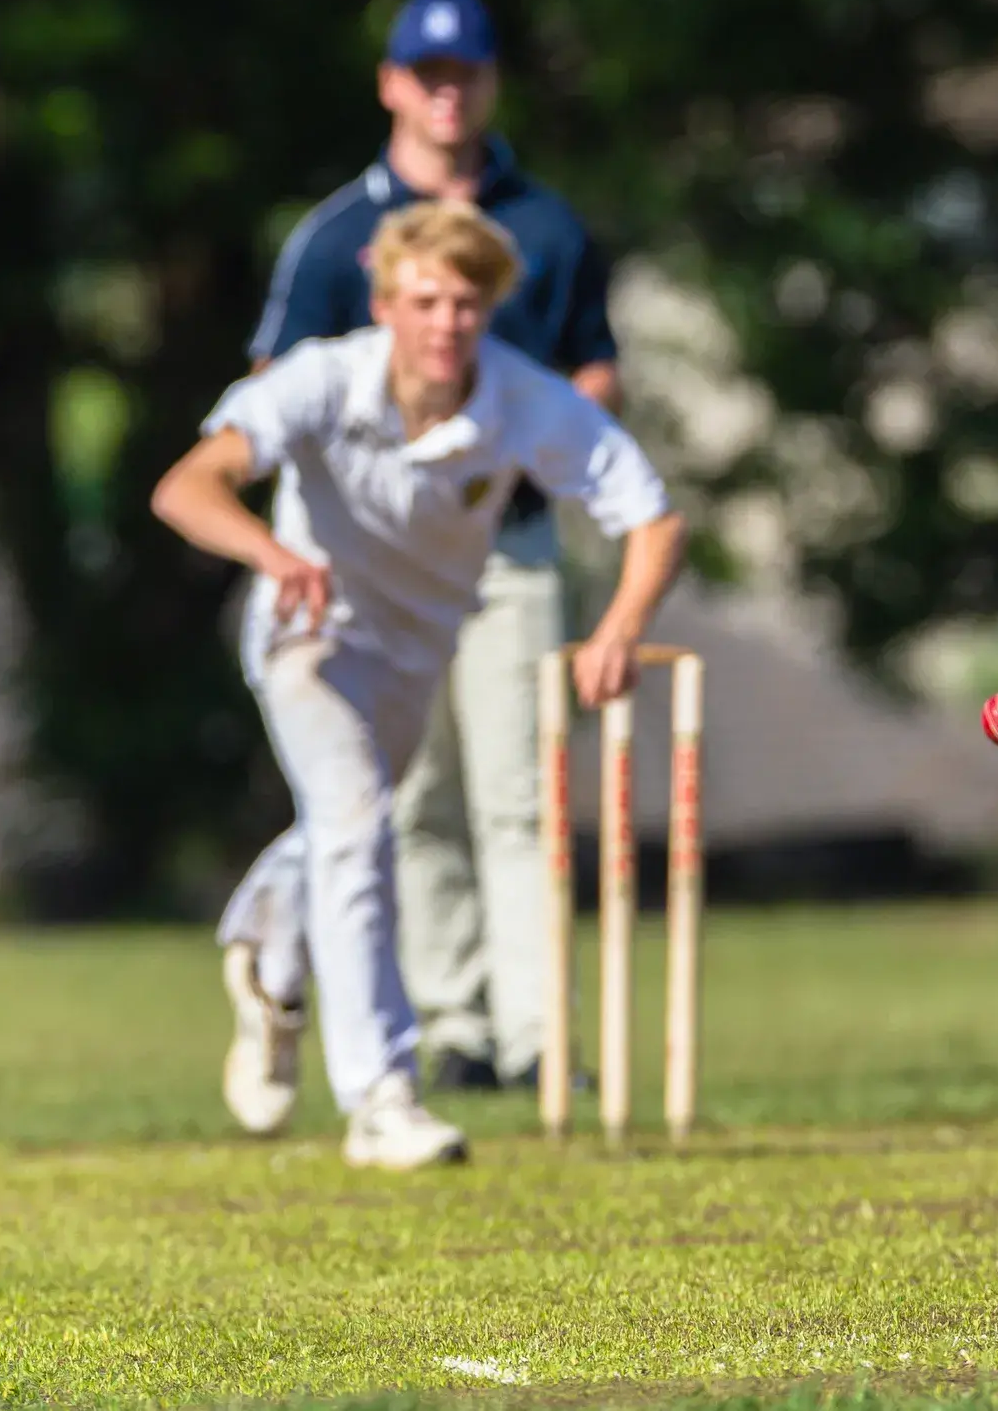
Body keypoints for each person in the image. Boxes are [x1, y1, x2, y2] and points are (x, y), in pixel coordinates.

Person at [157, 202, 684, 1168]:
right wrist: (276, 558)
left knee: (346, 827)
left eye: (466, 304)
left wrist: (617, 631)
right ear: (386, 306)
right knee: (358, 822)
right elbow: (186, 486)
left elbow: (651, 517)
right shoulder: (324, 379)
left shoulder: (520, 397)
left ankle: (269, 960)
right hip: (310, 637)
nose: (447, 323)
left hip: (416, 649)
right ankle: (381, 1097)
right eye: (426, 302)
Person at [241, 0, 621, 1105]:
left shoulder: (545, 226)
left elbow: (593, 369)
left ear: (491, 82)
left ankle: (538, 1033)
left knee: (521, 794)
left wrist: (527, 445)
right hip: (376, 566)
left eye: (466, 74)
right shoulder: (338, 236)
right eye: (428, 75)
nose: (447, 94)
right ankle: (453, 1022)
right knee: (410, 802)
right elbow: (274, 387)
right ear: (393, 85)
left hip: (507, 547)